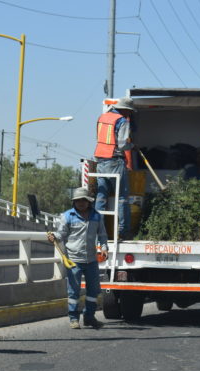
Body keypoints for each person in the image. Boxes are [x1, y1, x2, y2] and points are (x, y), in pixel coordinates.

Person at [48, 187, 108, 329]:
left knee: (93, 291)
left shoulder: (97, 216)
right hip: (73, 260)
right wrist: (54, 236)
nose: (81, 203)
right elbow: (61, 233)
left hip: (91, 260)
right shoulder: (67, 216)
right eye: (78, 200)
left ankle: (89, 317)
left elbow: (102, 235)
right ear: (74, 202)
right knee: (73, 291)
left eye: (83, 200)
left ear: (88, 201)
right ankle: (74, 319)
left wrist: (104, 248)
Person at [94, 97, 135, 238]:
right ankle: (123, 231)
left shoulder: (102, 117)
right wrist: (132, 145)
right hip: (115, 160)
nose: (129, 114)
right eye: (129, 111)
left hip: (100, 160)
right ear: (125, 110)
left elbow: (99, 138)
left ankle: (96, 228)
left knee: (101, 196)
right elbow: (123, 145)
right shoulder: (122, 121)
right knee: (122, 196)